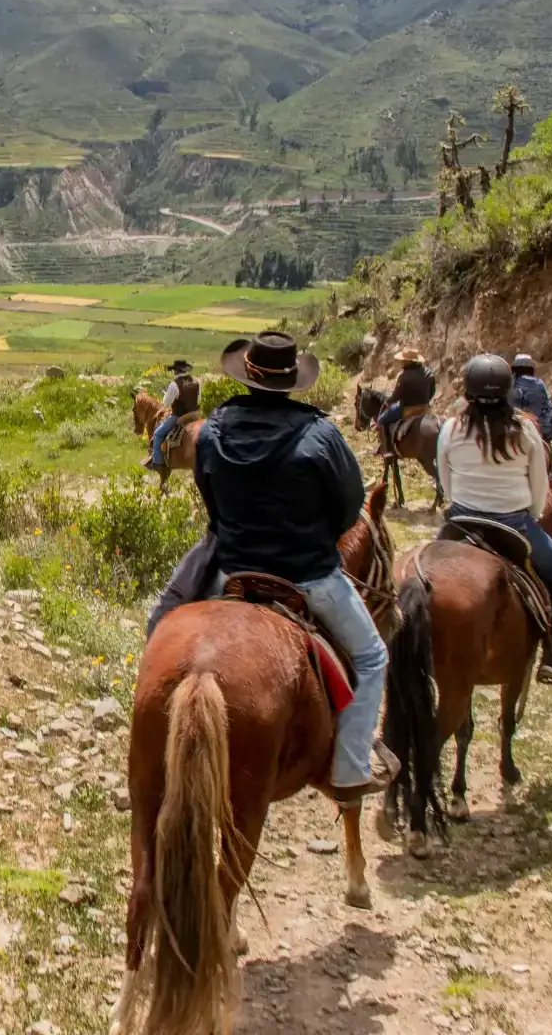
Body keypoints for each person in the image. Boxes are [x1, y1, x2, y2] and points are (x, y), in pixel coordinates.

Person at [148, 332, 395, 801]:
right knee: (371, 656)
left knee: (161, 622)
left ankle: (153, 724)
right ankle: (349, 769)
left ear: (247, 376)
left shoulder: (213, 431)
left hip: (231, 569)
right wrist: (312, 535)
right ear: (291, 382)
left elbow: (210, 494)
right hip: (310, 575)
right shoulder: (322, 434)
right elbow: (349, 507)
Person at [437, 354, 552, 685]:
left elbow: (446, 481)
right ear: (507, 391)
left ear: (468, 392)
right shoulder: (525, 430)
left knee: (423, 575)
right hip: (514, 524)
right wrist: (531, 515)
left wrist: (461, 504)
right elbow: (539, 486)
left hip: (460, 522)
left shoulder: (450, 428)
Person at [376, 348, 435, 457]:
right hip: (424, 407)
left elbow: (396, 397)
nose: (401, 362)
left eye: (403, 360)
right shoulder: (428, 373)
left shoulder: (404, 377)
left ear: (408, 361)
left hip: (407, 409)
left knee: (381, 420)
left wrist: (388, 401)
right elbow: (432, 392)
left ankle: (387, 450)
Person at [145, 359, 200, 469]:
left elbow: (166, 402)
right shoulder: (196, 382)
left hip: (178, 416)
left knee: (158, 433)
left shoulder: (174, 385)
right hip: (194, 415)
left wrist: (167, 394)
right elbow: (198, 400)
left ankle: (157, 462)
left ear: (175, 371)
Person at [508, 354, 552, 443]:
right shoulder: (539, 384)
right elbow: (546, 407)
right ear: (531, 369)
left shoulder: (510, 384)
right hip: (536, 426)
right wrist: (548, 432)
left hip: (514, 426)